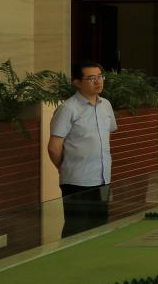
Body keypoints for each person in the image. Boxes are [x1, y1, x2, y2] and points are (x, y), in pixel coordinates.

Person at [47, 61, 116, 237]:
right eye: (91, 78)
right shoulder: (68, 109)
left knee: (100, 228)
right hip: (77, 181)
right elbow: (54, 148)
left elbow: (104, 138)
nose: (98, 82)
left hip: (102, 178)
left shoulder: (106, 105)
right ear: (77, 82)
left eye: (100, 77)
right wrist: (66, 167)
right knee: (76, 230)